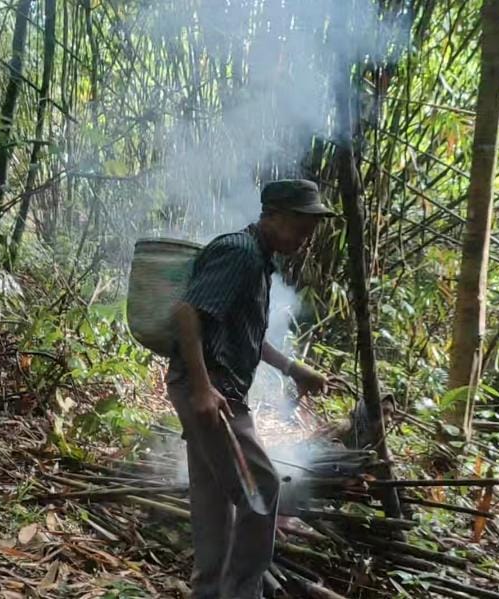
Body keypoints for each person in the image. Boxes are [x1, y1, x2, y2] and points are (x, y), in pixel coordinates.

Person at [167, 179, 334, 598]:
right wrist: (203, 389)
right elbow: (188, 313)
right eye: (301, 224)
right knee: (262, 487)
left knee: (213, 495)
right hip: (212, 391)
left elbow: (244, 334)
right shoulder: (239, 254)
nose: (306, 236)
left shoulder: (257, 259)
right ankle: (243, 592)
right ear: (273, 215)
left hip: (210, 390)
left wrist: (293, 368)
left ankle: (209, 591)